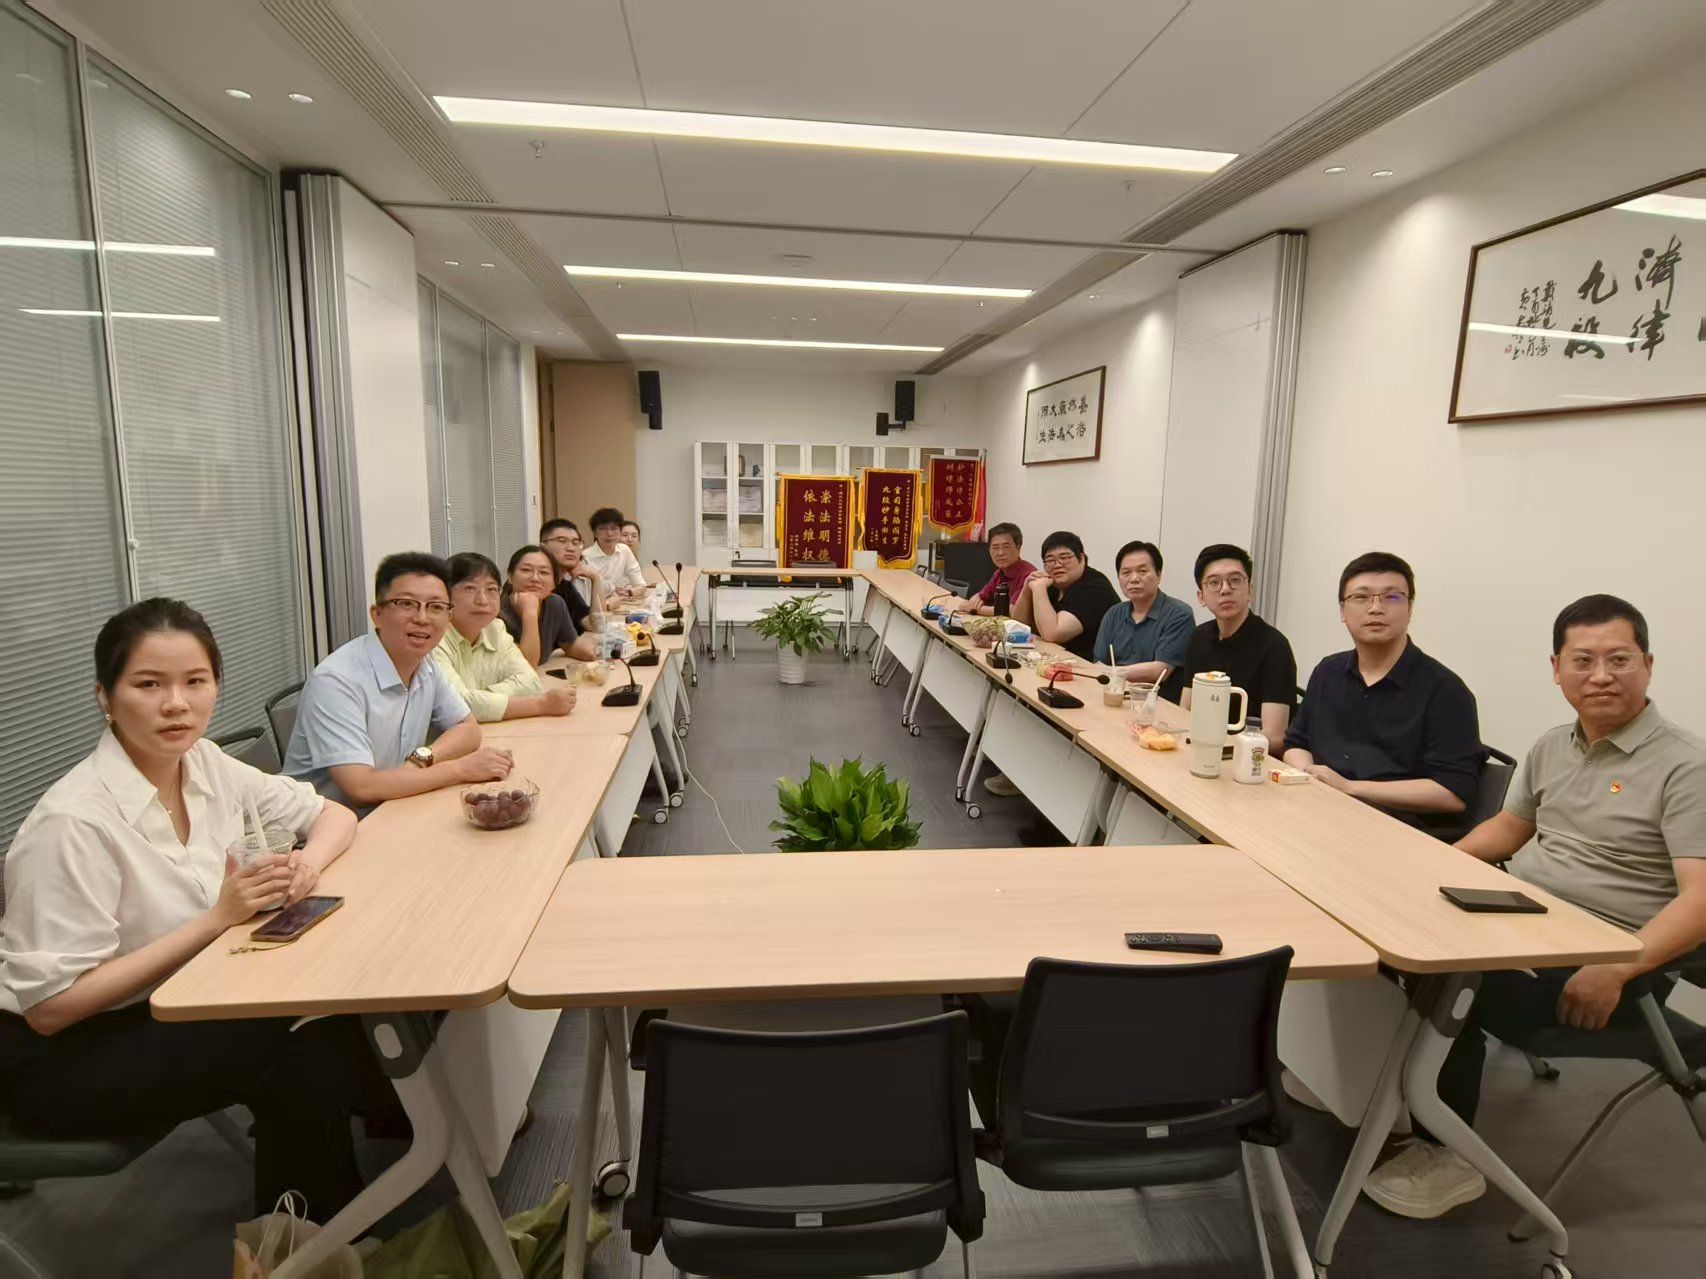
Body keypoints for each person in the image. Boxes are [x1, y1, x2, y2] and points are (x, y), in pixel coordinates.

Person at [0, 599, 391, 1219]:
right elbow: (51, 1010)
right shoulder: (72, 823)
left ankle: (407, 1152)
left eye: (195, 681)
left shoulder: (203, 762)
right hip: (66, 1056)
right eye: (148, 684)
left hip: (178, 996)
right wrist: (215, 919)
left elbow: (334, 815)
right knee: (294, 1042)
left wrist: (307, 865)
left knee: (342, 996)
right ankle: (312, 1239)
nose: (176, 704)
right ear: (105, 697)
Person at [1366, 594, 1706, 1220]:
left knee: (1444, 982)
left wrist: (1618, 967)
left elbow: (1701, 902)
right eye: (1583, 660)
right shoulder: (1554, 745)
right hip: (1526, 923)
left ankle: (1448, 1154)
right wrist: (1428, 873)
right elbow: (1507, 830)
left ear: (1648, 665)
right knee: (1381, 943)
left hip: (1611, 962)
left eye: (1619, 659)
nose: (1600, 675)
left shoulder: (1686, 767)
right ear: (1556, 668)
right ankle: (1377, 1097)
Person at [284, 552, 513, 811]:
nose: (422, 618)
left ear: (449, 616)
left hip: (395, 806)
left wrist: (420, 759)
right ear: (377, 614)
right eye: (406, 604)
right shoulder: (336, 681)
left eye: (436, 607)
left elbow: (468, 729)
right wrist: (459, 769)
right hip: (326, 826)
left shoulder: (425, 665)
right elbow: (362, 788)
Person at [1283, 552, 1483, 837]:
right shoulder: (1328, 671)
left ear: (1410, 609)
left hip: (1397, 831)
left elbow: (1453, 793)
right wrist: (1309, 774)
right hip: (1319, 812)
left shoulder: (1445, 690)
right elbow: (1296, 743)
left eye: (1392, 597)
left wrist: (1350, 788)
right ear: (1342, 611)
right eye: (1361, 597)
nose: (1376, 608)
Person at [1166, 544, 1296, 753]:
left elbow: (1275, 736)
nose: (1225, 589)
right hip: (1199, 749)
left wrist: (1223, 746)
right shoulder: (1198, 637)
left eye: (1235, 580)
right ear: (1201, 596)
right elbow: (1186, 710)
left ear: (1250, 590)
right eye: (1214, 583)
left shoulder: (1275, 646)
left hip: (1247, 758)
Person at [435, 553, 578, 723]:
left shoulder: (495, 628)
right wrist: (540, 704)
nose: (482, 600)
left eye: (491, 589)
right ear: (444, 595)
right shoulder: (432, 638)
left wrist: (478, 698)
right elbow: (458, 706)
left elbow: (531, 683)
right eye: (470, 588)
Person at [1091, 540, 1194, 686]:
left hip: (1157, 696)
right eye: (1126, 573)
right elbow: (1099, 662)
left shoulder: (1179, 614)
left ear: (1159, 575)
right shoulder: (1114, 613)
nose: (1134, 579)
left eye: (1142, 571)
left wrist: (1112, 672)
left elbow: (1160, 670)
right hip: (1114, 690)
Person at [1015, 530, 1118, 664]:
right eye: (1050, 560)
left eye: (1064, 558)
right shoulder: (1053, 584)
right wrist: (1026, 589)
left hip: (1091, 668)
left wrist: (1039, 588)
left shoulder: (1095, 587)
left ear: (1082, 558)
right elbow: (1018, 625)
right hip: (1056, 661)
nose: (1057, 565)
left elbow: (1053, 634)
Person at [502, 544, 599, 666]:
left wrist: (598, 650)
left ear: (554, 582)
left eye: (543, 572)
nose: (535, 578)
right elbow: (526, 665)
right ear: (510, 576)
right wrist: (530, 613)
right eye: (526, 570)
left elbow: (570, 645)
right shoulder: (496, 614)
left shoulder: (554, 604)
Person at [956, 522, 1036, 617]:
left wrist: (974, 608)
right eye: (995, 547)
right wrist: (972, 603)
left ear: (1018, 547)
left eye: (1006, 547)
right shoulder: (999, 573)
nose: (1000, 553)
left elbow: (1012, 611)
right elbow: (979, 596)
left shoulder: (1028, 575)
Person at [539, 518, 602, 629]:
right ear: (543, 546)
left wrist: (595, 578)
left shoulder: (565, 587)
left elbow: (596, 626)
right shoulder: (535, 584)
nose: (571, 548)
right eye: (562, 541)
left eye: (576, 543)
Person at [585, 507, 649, 600]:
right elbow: (587, 597)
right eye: (603, 529)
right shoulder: (585, 557)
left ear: (620, 531)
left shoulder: (624, 550)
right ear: (595, 533)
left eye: (614, 528)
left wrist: (629, 592)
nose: (609, 533)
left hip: (621, 605)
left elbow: (641, 586)